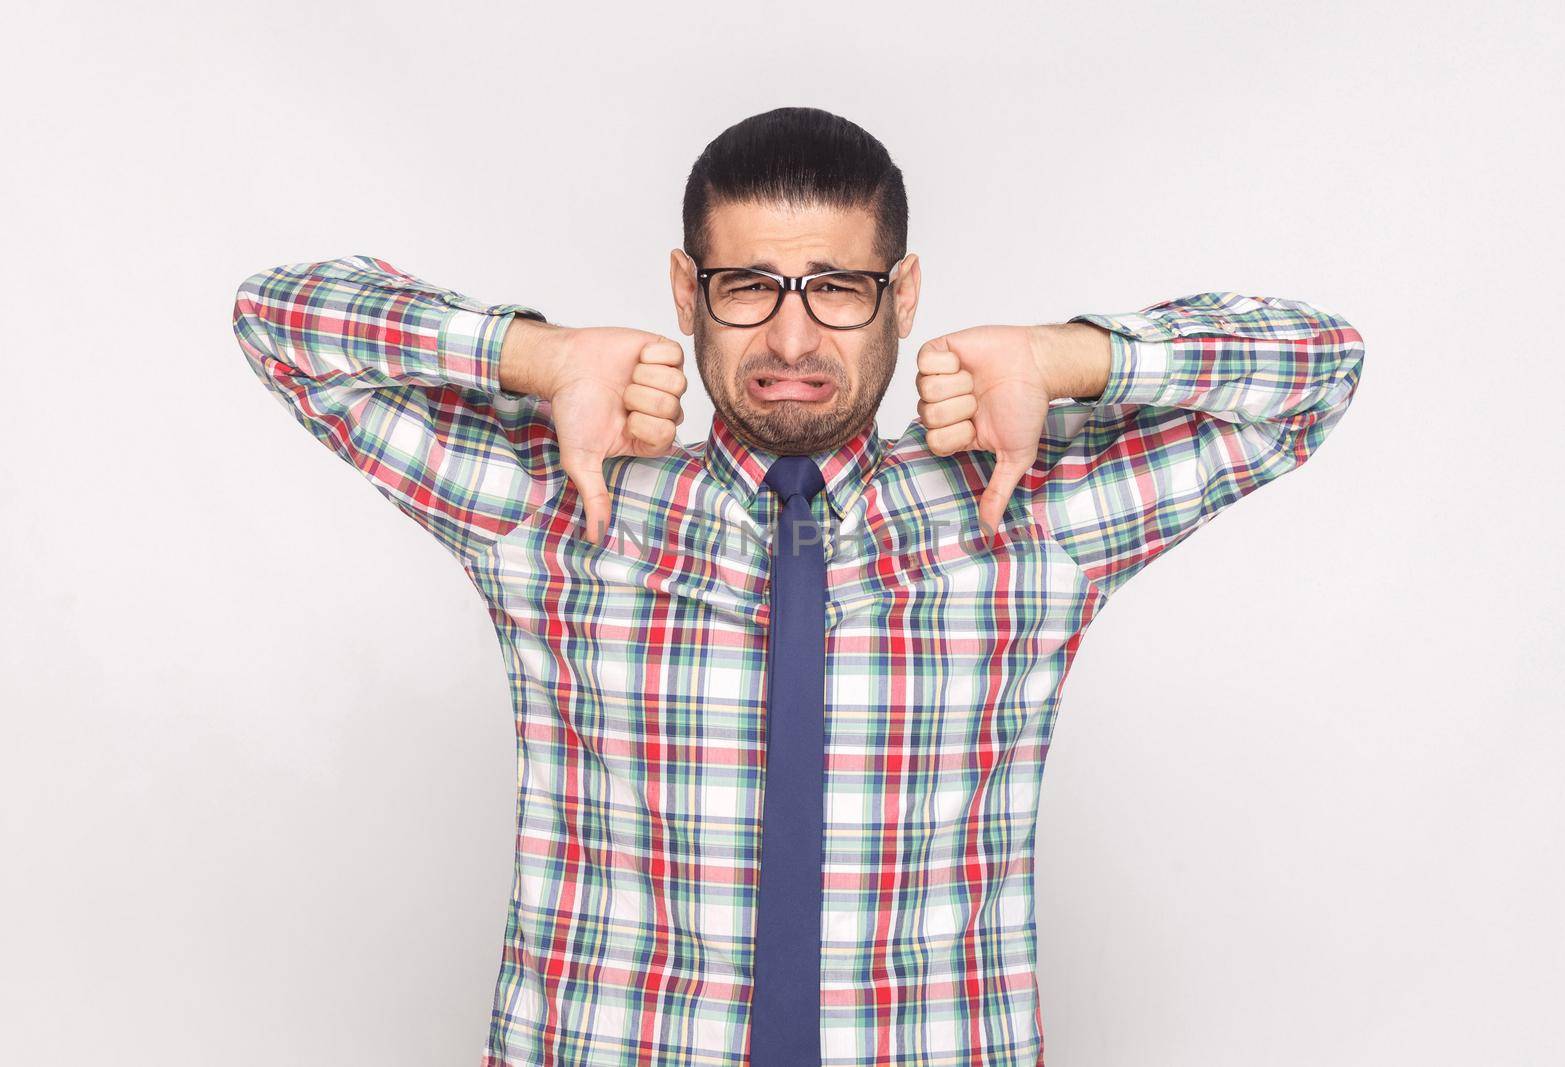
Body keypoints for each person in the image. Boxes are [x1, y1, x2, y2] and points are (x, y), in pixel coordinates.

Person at [231, 106, 1364, 1067]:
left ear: (902, 292)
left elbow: (1317, 368)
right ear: (685, 288)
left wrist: (1071, 356)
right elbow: (279, 320)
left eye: (836, 286)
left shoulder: (1028, 513)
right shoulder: (553, 500)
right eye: (745, 286)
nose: (790, 334)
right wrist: (538, 356)